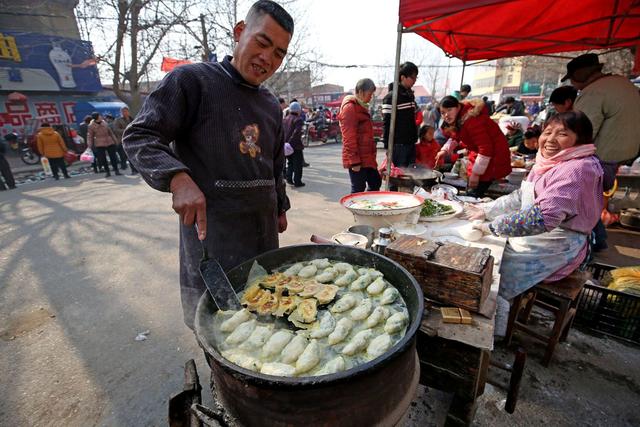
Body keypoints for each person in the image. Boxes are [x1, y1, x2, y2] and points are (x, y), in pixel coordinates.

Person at [123, 0, 293, 329]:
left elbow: (275, 165)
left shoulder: (271, 104)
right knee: (222, 329)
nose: (267, 59)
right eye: (262, 43)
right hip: (214, 240)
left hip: (263, 236)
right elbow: (140, 135)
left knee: (267, 322)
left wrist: (280, 205)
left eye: (279, 54)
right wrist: (177, 177)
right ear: (240, 32)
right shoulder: (192, 81)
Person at [464, 111, 603, 335]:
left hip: (556, 245)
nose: (550, 139)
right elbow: (522, 197)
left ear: (581, 140)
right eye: (547, 132)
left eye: (562, 134)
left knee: (492, 275)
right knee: (487, 260)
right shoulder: (549, 163)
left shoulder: (578, 169)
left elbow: (541, 217)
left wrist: (492, 226)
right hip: (536, 236)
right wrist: (485, 210)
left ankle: (494, 333)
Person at [564, 53, 640, 188]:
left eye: (572, 79)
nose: (573, 85)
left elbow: (579, 135)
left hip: (601, 162)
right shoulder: (624, 83)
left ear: (579, 74)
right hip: (628, 156)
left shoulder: (593, 92)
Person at [435, 96, 511, 197]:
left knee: (474, 191)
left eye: (449, 110)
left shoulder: (472, 120)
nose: (446, 115)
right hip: (483, 156)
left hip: (494, 157)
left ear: (458, 107)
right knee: (472, 187)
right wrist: (444, 151)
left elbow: (485, 148)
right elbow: (456, 137)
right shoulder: (460, 118)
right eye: (443, 112)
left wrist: (476, 174)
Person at [339, 78, 381, 193]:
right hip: (357, 158)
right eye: (369, 94)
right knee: (358, 189)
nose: (371, 97)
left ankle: (369, 208)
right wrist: (354, 161)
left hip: (366, 156)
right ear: (361, 92)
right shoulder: (350, 108)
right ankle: (358, 211)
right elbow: (348, 137)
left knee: (375, 182)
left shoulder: (361, 107)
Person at [382, 61, 419, 167]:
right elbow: (386, 123)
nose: (415, 81)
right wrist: (387, 147)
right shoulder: (390, 98)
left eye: (416, 77)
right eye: (412, 77)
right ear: (402, 77)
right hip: (398, 146)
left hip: (410, 143)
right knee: (397, 177)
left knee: (410, 177)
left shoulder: (410, 95)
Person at [87, 112, 121, 177]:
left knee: (113, 157)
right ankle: (107, 172)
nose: (101, 116)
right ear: (97, 117)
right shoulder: (91, 126)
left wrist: (115, 141)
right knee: (103, 158)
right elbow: (90, 136)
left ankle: (116, 170)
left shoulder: (104, 122)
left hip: (109, 141)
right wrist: (89, 144)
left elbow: (111, 132)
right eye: (100, 116)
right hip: (99, 143)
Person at [284, 101, 305, 187]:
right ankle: (297, 181)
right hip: (295, 145)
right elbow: (297, 132)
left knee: (290, 163)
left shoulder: (285, 119)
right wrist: (290, 143)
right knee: (298, 164)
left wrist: (286, 143)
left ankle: (289, 179)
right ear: (298, 110)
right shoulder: (298, 119)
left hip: (286, 145)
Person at [112, 106, 137, 174]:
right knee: (128, 156)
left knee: (134, 155)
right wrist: (126, 130)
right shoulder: (118, 120)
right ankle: (132, 169)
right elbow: (115, 130)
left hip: (133, 139)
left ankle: (136, 169)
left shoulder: (132, 119)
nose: (125, 113)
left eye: (126, 111)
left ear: (128, 112)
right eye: (123, 111)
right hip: (124, 140)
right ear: (121, 112)